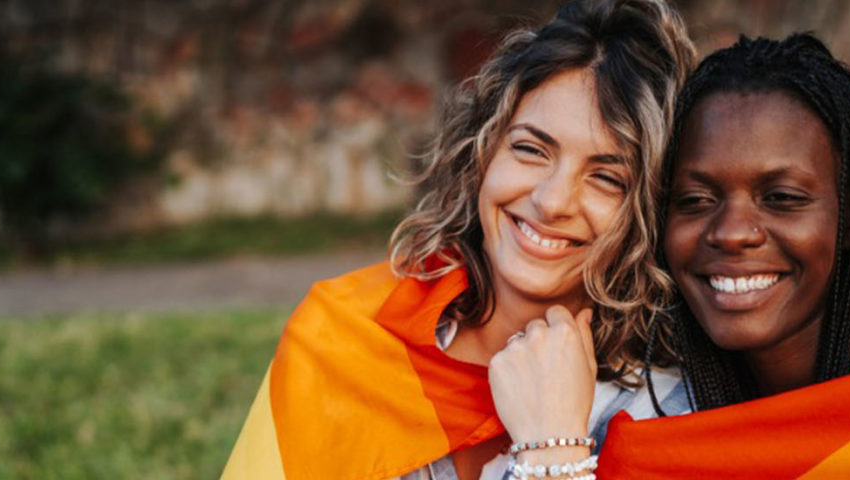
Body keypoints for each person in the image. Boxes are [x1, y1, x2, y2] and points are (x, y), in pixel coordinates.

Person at [221, 1, 695, 479]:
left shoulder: (662, 405)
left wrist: (553, 450)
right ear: (481, 153)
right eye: (530, 149)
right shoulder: (343, 336)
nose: (553, 202)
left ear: (650, 207)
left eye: (607, 179)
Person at [498, 33, 850, 478]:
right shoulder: (655, 415)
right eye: (696, 200)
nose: (731, 234)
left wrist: (550, 455)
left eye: (781, 197)